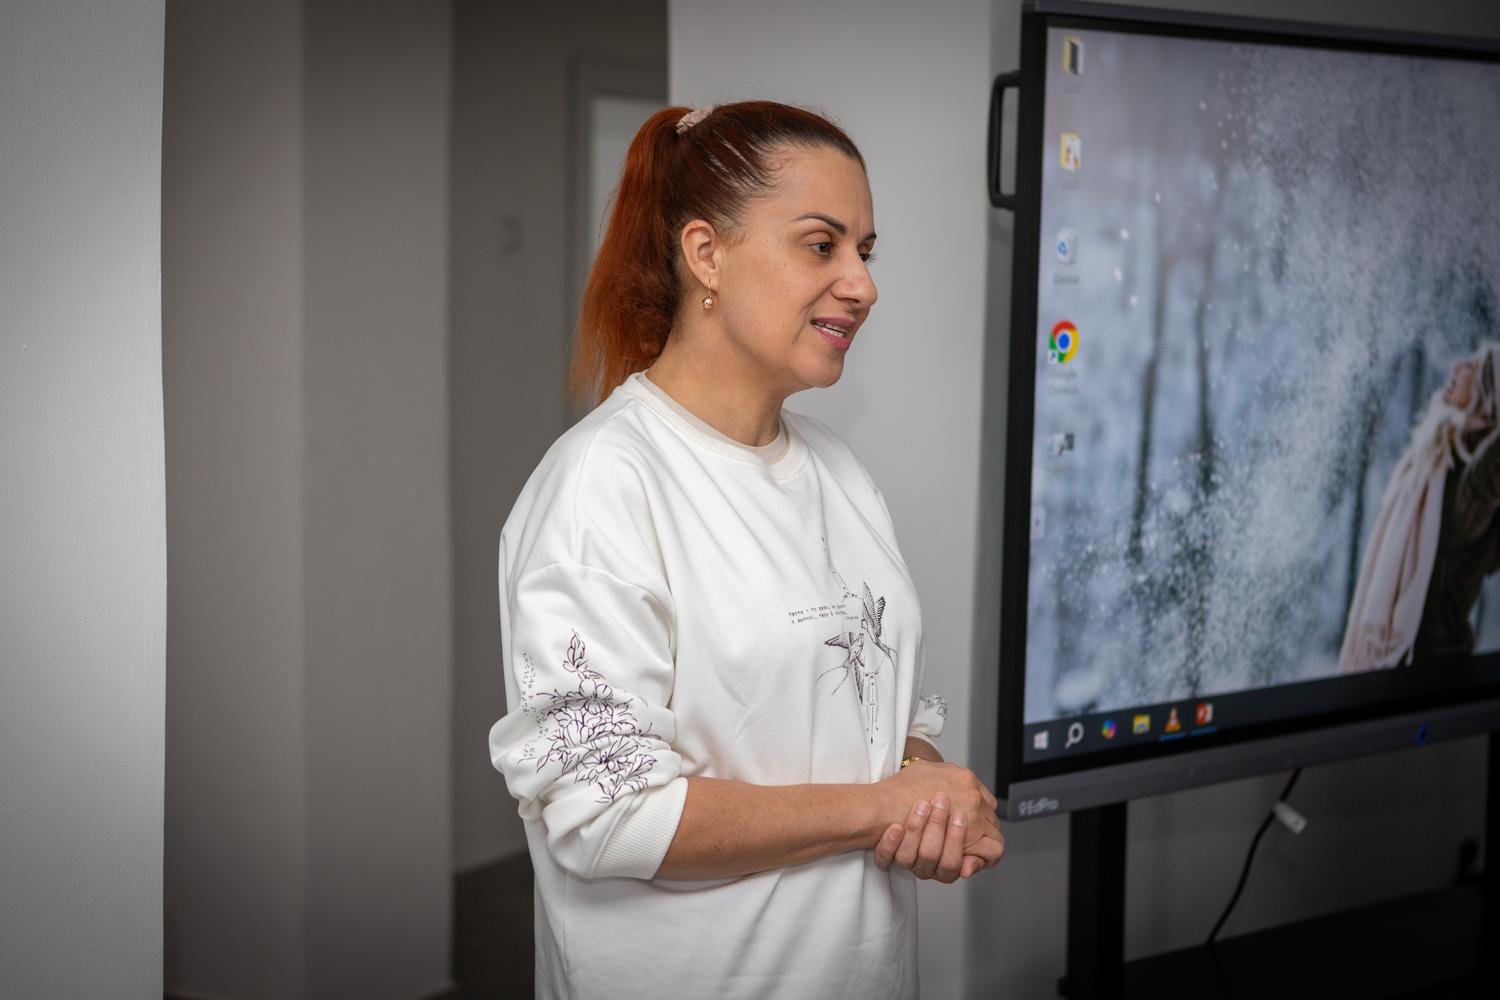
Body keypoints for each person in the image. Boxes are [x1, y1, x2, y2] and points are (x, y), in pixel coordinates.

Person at [487, 101, 1004, 1000]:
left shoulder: (839, 471)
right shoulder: (604, 486)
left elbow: (888, 715)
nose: (862, 285)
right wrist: (878, 807)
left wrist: (926, 797)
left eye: (865, 251)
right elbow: (608, 815)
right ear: (706, 253)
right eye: (821, 245)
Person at [1340, 342, 1500, 671]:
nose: (1458, 366)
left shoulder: (1468, 483)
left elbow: (1489, 473)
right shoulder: (1437, 460)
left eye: (1474, 366)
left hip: (1429, 668)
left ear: (1489, 395)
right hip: (1407, 666)